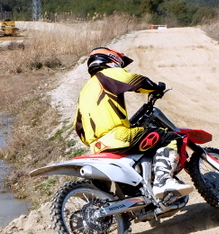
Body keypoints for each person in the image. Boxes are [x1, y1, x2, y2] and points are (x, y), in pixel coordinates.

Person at [75, 46, 193, 200]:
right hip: (119, 137)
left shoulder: (84, 91)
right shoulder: (107, 74)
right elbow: (136, 81)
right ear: (112, 60)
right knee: (170, 138)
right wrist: (155, 88)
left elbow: (79, 128)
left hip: (97, 146)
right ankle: (163, 182)